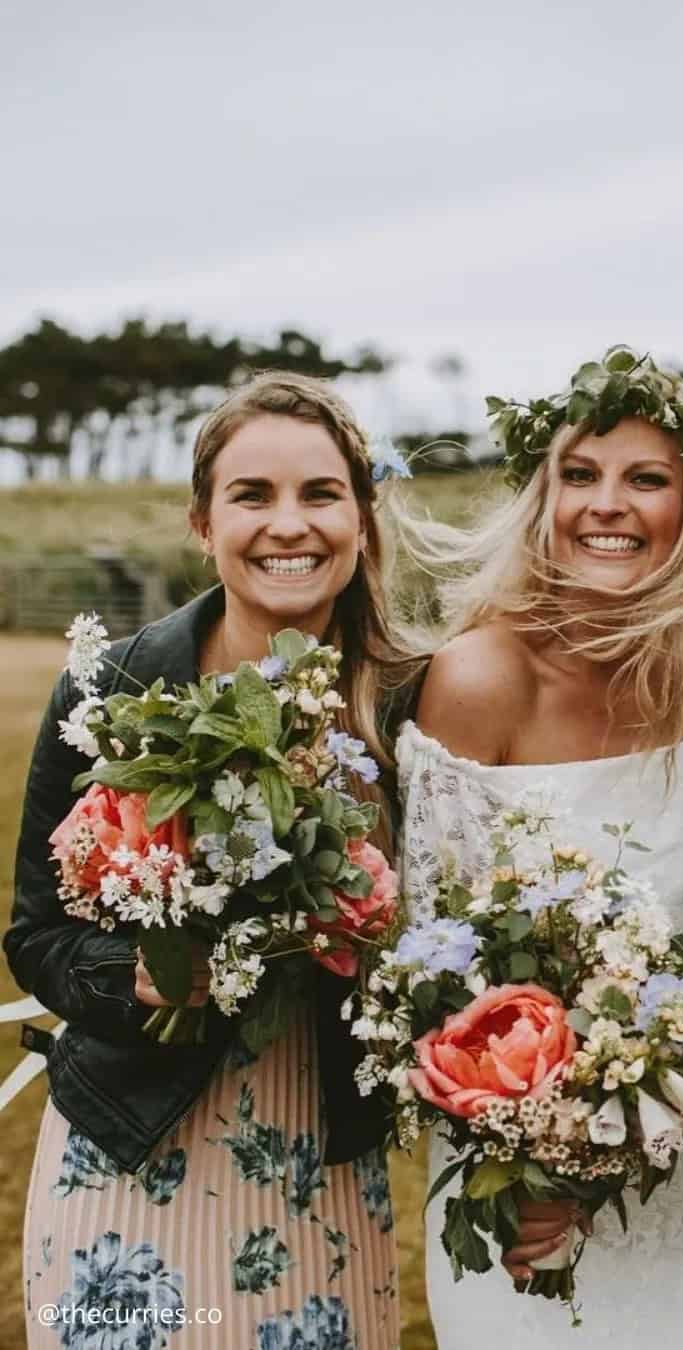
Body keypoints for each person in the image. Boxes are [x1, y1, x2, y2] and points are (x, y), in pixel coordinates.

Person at [396, 346, 683, 1349]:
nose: (606, 505)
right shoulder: (479, 680)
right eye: (578, 475)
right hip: (532, 1198)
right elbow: (428, 970)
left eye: (645, 479)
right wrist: (534, 1156)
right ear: (541, 498)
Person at [5, 373, 416, 1349]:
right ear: (202, 522)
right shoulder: (111, 692)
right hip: (127, 1143)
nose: (290, 524)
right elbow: (35, 935)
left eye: (320, 494)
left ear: (361, 516)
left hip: (317, 1154)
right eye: (252, 495)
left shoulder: (411, 701)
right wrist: (137, 977)